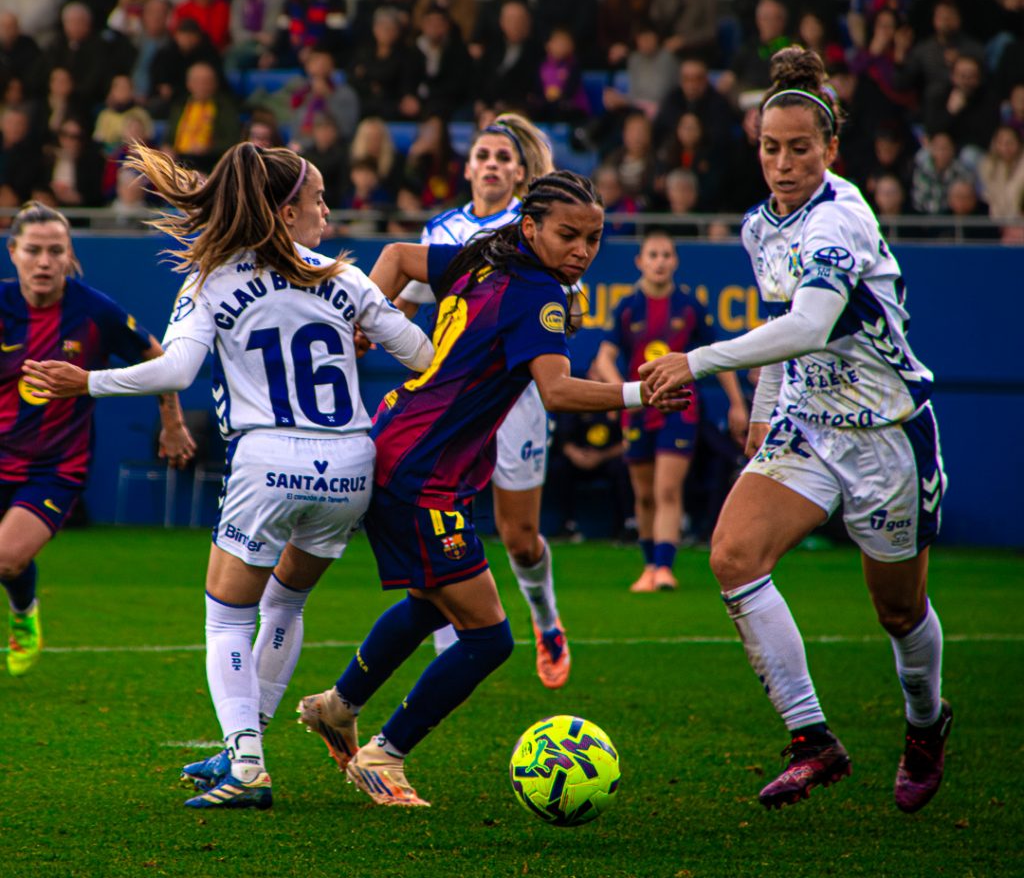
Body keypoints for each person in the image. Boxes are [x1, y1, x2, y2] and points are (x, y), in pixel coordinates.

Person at [23, 143, 435, 809]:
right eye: (317, 200)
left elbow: (177, 372)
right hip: (352, 462)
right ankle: (247, 747)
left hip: (269, 460)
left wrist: (87, 381)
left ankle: (245, 764)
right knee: (286, 603)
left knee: (226, 619)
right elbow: (423, 357)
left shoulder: (215, 277)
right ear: (283, 211)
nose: (326, 213)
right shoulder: (346, 278)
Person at [296, 169, 688, 807]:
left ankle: (339, 707)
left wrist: (366, 328)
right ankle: (384, 756)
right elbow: (556, 390)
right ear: (530, 227)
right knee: (488, 637)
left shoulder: (484, 256)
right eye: (569, 236)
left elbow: (395, 258)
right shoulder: (538, 293)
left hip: (406, 444)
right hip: (423, 470)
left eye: (593, 239)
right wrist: (643, 393)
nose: (582, 252)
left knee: (430, 605)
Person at [640, 46, 952, 814]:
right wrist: (765, 406)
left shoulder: (840, 219)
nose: (783, 163)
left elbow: (812, 323)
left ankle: (925, 721)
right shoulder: (758, 226)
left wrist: (699, 361)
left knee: (898, 611)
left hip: (884, 435)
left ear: (830, 149)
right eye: (771, 149)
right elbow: (784, 322)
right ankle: (814, 740)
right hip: (809, 428)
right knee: (732, 555)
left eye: (800, 149)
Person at [388, 113, 578, 685]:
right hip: (452, 401)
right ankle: (452, 651)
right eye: (484, 155)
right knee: (442, 517)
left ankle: (546, 618)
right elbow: (409, 303)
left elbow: (562, 304)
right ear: (468, 168)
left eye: (503, 157)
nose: (492, 164)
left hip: (515, 398)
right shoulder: (441, 231)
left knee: (520, 539)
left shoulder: (535, 227)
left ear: (520, 172)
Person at [2, 203, 194, 677]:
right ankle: (22, 601)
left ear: (69, 254)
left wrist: (172, 423)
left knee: (5, 557)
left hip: (54, 468)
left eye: (55, 251)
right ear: (13, 253)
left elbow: (158, 360)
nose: (44, 261)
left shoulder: (95, 312)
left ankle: (24, 615)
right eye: (34, 251)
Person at [595, 231, 748, 591]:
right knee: (644, 494)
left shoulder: (689, 307)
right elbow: (604, 357)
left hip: (680, 408)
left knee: (666, 489)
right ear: (640, 262)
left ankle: (664, 567)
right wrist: (622, 394)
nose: (660, 261)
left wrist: (738, 404)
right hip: (638, 410)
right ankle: (649, 566)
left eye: (666, 255)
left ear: (675, 262)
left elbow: (718, 356)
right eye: (653, 255)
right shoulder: (628, 306)